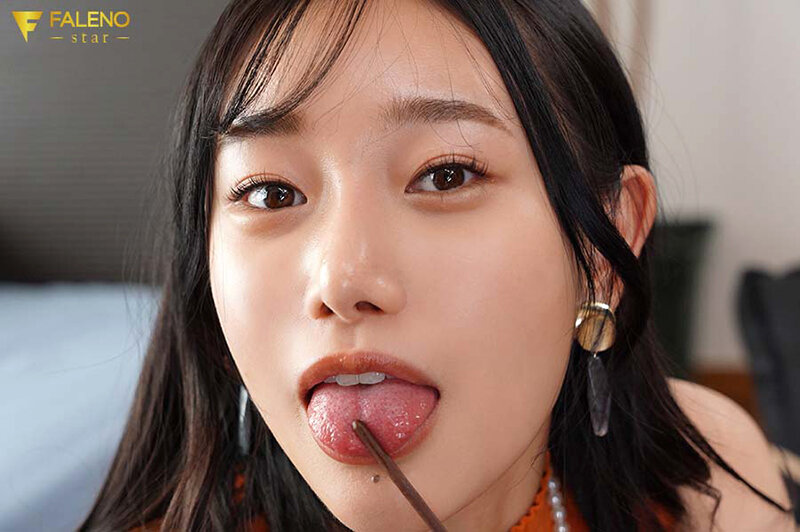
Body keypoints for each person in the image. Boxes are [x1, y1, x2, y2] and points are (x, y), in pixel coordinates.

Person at [79, 0, 796, 530]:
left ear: (604, 244)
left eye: (446, 176)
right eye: (271, 193)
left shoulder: (698, 476)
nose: (342, 281)